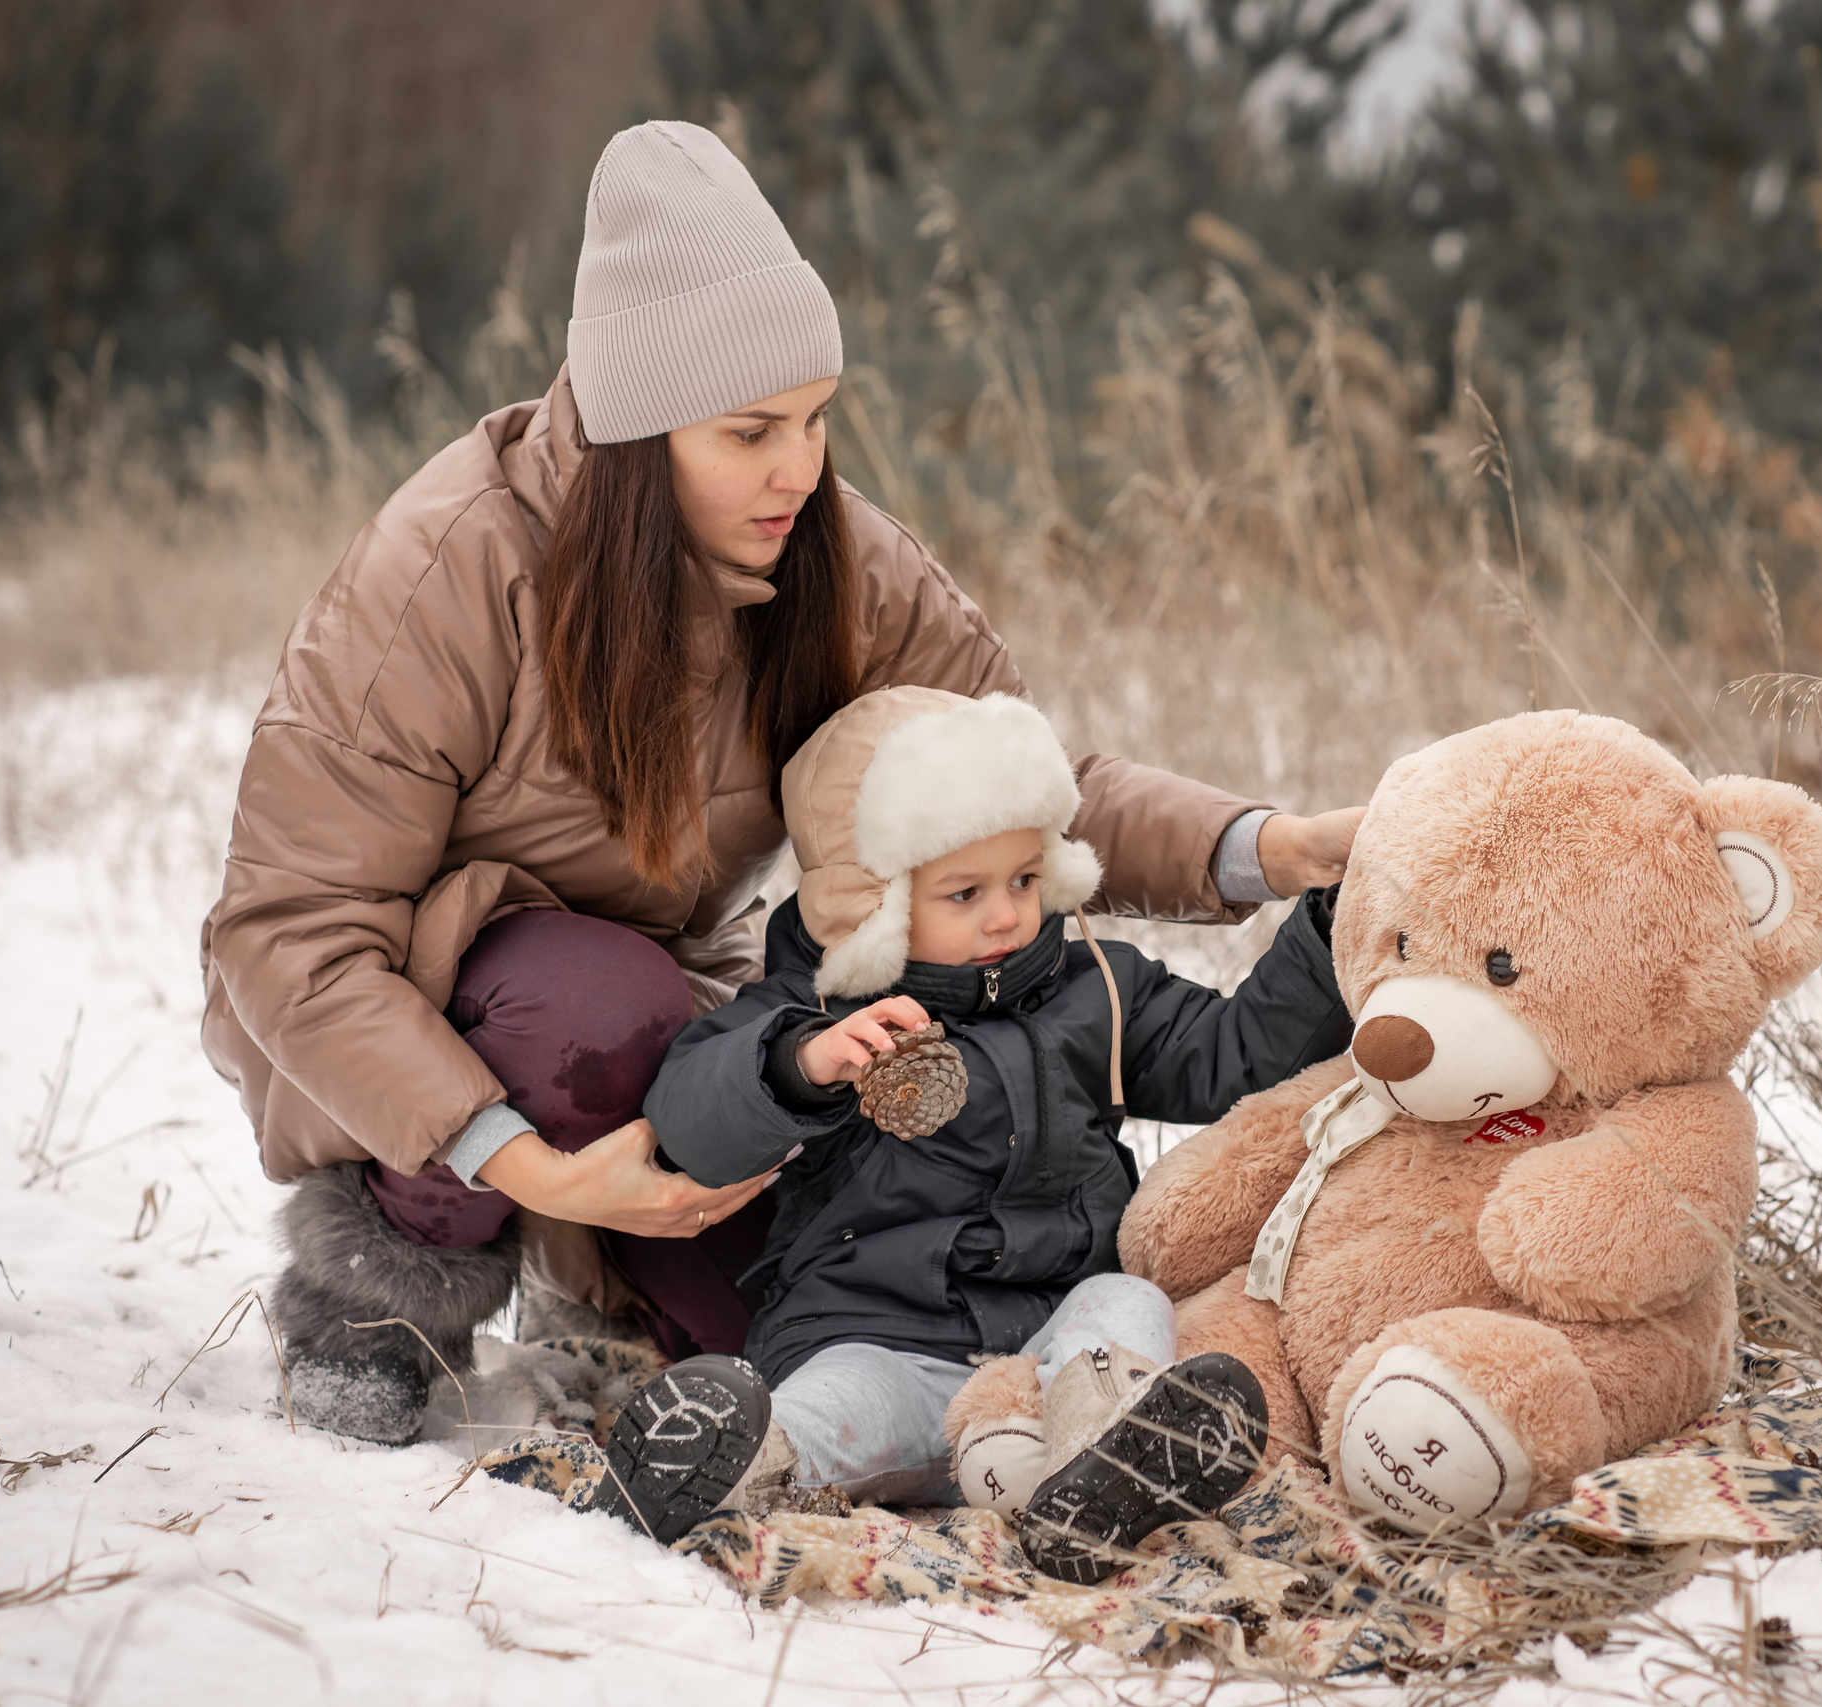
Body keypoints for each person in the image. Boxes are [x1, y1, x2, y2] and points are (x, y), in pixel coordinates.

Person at [200, 119, 1359, 1446]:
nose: (798, 470)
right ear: (639, 434)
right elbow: (290, 936)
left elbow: (1009, 786)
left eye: (815, 420)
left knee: (809, 1330)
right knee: (588, 994)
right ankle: (374, 1293)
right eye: (751, 430)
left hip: (681, 1036)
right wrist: (538, 1168)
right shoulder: (445, 570)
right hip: (407, 1015)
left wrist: (1270, 847)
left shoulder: (836, 560)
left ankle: (609, 1291)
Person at [597, 688, 1351, 1582]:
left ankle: (1099, 1459)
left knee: (1131, 1305)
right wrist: (797, 1066)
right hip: (877, 1338)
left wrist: (1329, 919)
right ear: (873, 902)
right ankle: (724, 1462)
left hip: (1047, 1353)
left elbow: (1237, 1056)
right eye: (965, 892)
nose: (1005, 915)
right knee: (837, 1411)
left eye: (1025, 881)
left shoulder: (1096, 990)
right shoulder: (819, 1016)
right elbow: (689, 1115)